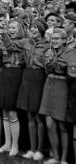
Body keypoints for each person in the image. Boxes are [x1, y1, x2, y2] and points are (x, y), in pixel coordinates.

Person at [17, 20, 48, 161]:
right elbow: (10, 45)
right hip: (27, 76)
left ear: (41, 29)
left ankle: (40, 150)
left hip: (39, 77)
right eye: (31, 27)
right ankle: (32, 148)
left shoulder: (47, 44)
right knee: (29, 115)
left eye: (36, 27)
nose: (33, 29)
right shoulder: (26, 42)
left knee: (38, 117)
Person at [0, 19, 25, 157]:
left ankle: (15, 145)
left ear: (20, 29)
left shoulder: (23, 41)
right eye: (9, 27)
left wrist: (4, 34)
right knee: (5, 111)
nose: (11, 30)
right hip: (5, 74)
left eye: (14, 28)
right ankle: (7, 143)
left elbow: (11, 47)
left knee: (12, 112)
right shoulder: (5, 41)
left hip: (15, 74)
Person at [39, 28, 69, 164]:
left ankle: (63, 159)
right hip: (48, 84)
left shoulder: (69, 52)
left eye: (57, 39)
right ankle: (55, 157)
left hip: (62, 86)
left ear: (64, 40)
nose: (54, 41)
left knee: (62, 125)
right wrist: (49, 61)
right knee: (49, 123)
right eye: (53, 38)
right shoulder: (49, 51)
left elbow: (60, 68)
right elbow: (47, 69)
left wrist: (52, 61)